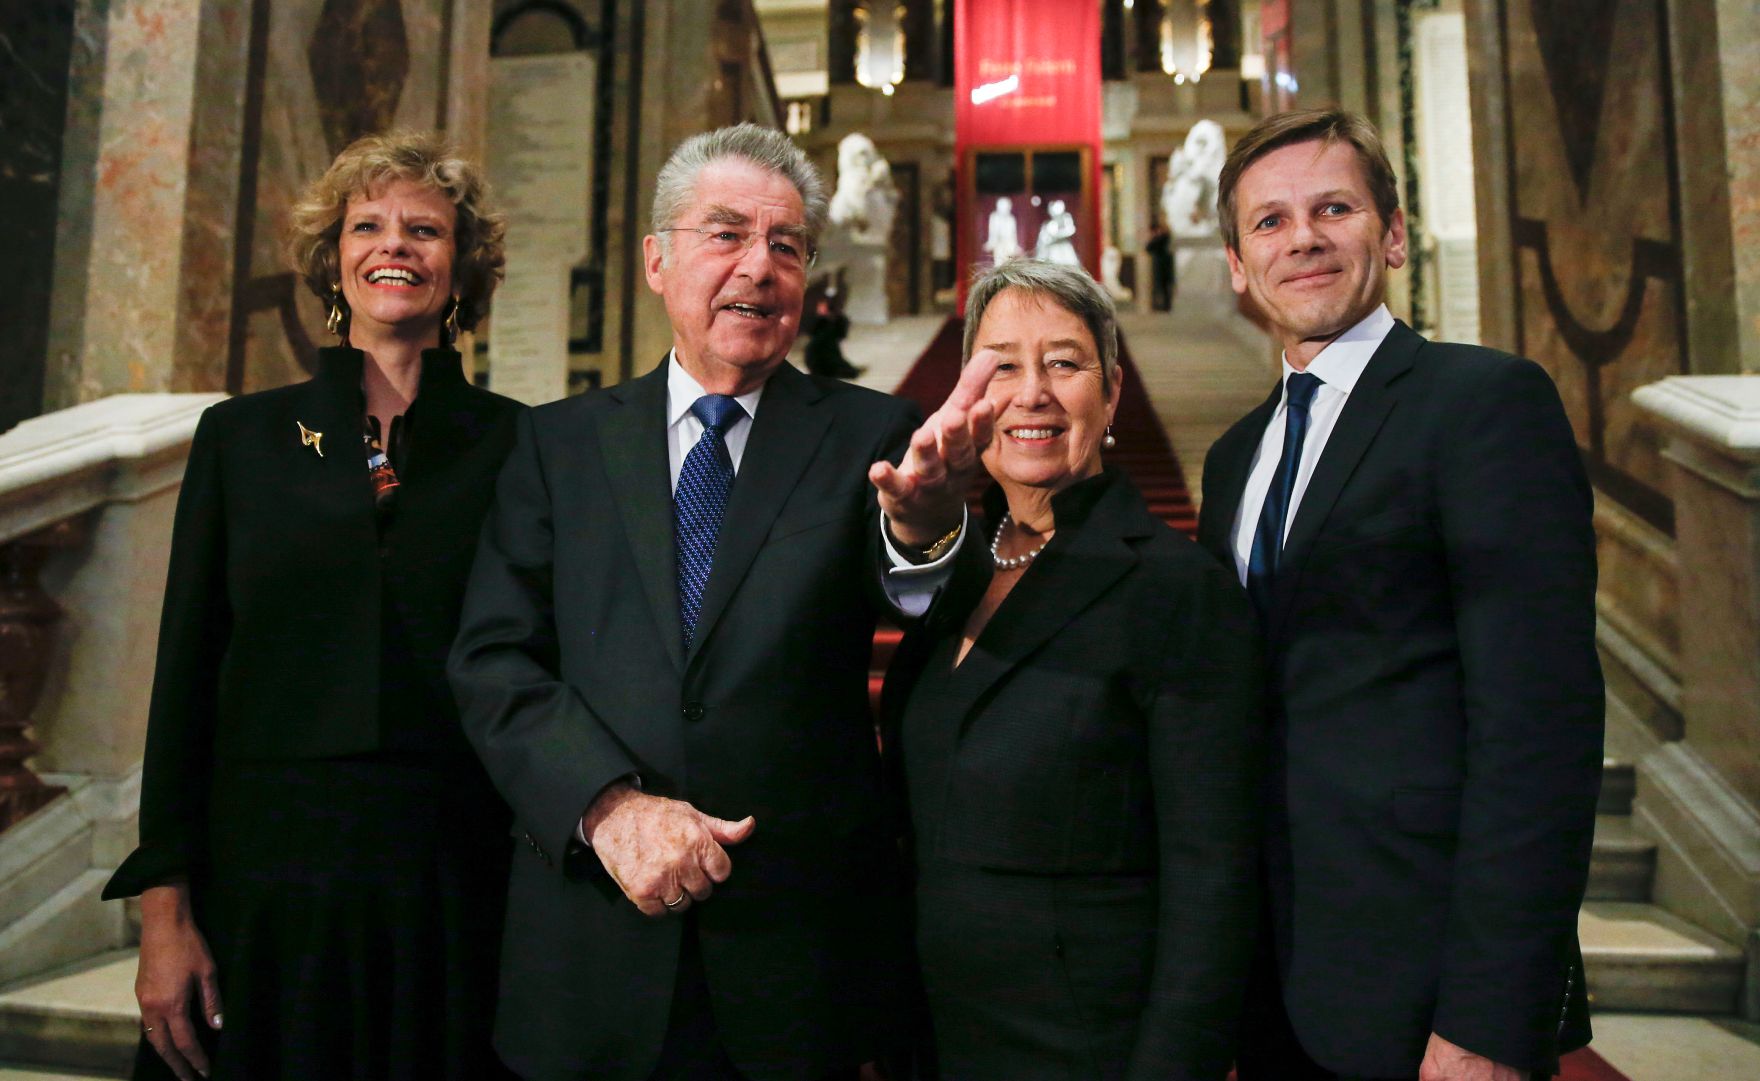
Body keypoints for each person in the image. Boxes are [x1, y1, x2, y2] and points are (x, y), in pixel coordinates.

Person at [448, 122, 990, 1081]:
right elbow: (494, 660)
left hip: (795, 953)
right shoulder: (558, 445)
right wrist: (608, 807)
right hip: (593, 942)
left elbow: (921, 602)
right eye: (727, 233)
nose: (759, 266)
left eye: (787, 245)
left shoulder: (871, 434)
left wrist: (925, 531)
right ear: (657, 261)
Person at [103, 130, 522, 1080]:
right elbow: (184, 678)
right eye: (367, 226)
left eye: (425, 229)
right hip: (264, 874)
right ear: (334, 261)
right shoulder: (239, 438)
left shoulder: (525, 446)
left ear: (462, 268)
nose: (394, 244)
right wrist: (164, 912)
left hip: (453, 876)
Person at [1196, 109, 1602, 1081]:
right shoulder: (1233, 458)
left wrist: (1491, 1019)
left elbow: (1537, 734)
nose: (1301, 237)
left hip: (1429, 992)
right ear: (1237, 266)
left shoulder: (1482, 404)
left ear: (1391, 234)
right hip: (1271, 983)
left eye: (1333, 208)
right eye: (1269, 220)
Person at [882, 259, 1263, 1080]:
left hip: (1086, 1043)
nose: (1033, 393)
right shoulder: (957, 570)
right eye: (1003, 366)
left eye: (1064, 362)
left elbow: (1214, 877)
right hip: (938, 1035)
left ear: (1113, 391)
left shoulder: (1176, 588)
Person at [804, 292, 862, 379]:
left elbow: (841, 334)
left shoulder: (832, 324)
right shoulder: (822, 325)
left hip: (823, 359)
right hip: (820, 362)